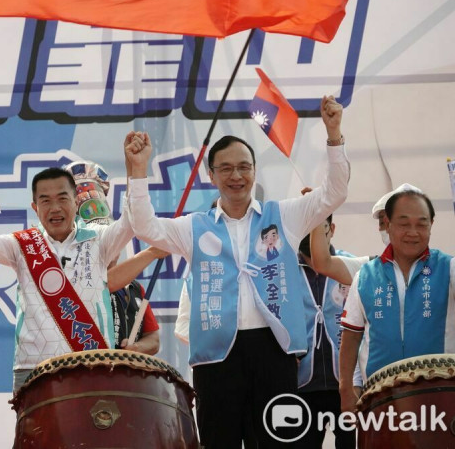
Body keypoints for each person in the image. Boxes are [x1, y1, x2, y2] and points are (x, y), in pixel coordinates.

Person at [124, 96, 349, 448]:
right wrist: (138, 172)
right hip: (216, 357)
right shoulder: (193, 227)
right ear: (210, 175)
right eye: (226, 168)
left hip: (275, 352)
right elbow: (145, 227)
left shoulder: (284, 215)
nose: (236, 175)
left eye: (244, 166)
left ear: (254, 171)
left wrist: (334, 134)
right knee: (219, 442)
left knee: (278, 442)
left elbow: (334, 193)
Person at [0, 161, 142, 392]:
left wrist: (136, 169)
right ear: (35, 206)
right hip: (33, 369)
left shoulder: (99, 240)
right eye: (46, 201)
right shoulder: (22, 245)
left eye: (62, 198)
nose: (55, 208)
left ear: (75, 201)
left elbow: (132, 221)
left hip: (93, 364)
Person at [339, 188, 455, 413]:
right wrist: (346, 390)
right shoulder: (365, 276)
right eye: (404, 224)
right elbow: (351, 337)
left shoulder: (448, 269)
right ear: (387, 224)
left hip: (440, 396)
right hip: (379, 398)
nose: (413, 232)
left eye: (422, 224)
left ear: (431, 225)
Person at [63, 160, 163, 355]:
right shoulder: (68, 280)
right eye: (99, 244)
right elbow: (105, 283)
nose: (110, 249)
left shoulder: (133, 289)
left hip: (123, 380)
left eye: (111, 240)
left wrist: (136, 348)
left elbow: (153, 338)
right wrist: (151, 253)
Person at [295, 215, 368, 449]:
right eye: (305, 227)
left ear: (332, 229)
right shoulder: (283, 272)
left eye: (319, 227)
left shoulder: (350, 266)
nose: (311, 235)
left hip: (346, 384)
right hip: (302, 384)